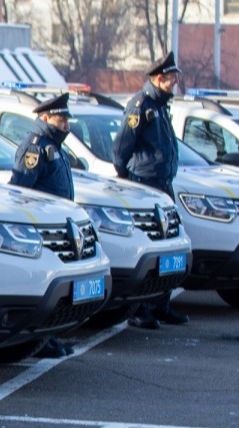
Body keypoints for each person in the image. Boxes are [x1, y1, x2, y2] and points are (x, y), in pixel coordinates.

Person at [112, 52, 188, 330]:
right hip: (145, 187)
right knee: (150, 249)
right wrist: (130, 181)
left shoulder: (160, 106)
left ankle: (160, 304)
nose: (175, 82)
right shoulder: (140, 106)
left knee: (169, 247)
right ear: (158, 78)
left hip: (163, 186)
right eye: (171, 78)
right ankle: (141, 308)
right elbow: (121, 150)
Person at [9, 93, 76, 359]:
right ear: (46, 118)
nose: (66, 126)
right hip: (41, 229)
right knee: (44, 288)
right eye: (62, 120)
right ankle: (39, 340)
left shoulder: (53, 146)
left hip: (56, 229)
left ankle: (49, 337)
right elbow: (20, 190)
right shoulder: (35, 147)